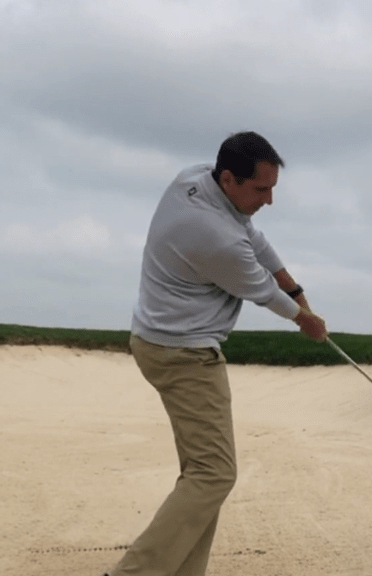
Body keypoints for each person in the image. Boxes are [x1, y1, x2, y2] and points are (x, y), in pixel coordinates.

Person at [105, 131, 328, 576]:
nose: (268, 200)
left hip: (160, 341)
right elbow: (265, 292)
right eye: (260, 189)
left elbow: (256, 239)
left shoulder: (195, 178)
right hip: (184, 355)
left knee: (202, 476)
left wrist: (296, 289)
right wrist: (306, 319)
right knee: (214, 475)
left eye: (272, 188)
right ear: (228, 179)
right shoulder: (214, 238)